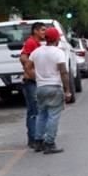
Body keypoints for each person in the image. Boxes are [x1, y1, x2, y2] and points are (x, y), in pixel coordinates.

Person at [29, 26, 72, 154]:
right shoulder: (58, 53)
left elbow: (27, 66)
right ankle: (49, 143)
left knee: (41, 115)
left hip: (40, 88)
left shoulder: (36, 52)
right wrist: (67, 90)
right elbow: (63, 72)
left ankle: (38, 142)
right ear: (56, 39)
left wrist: (36, 77)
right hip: (54, 88)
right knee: (53, 116)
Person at [19, 22, 47, 150]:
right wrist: (32, 72)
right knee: (34, 111)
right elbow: (23, 58)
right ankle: (33, 138)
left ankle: (37, 137)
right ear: (35, 31)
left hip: (34, 81)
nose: (44, 32)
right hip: (30, 82)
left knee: (36, 110)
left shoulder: (37, 44)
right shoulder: (31, 42)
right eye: (42, 30)